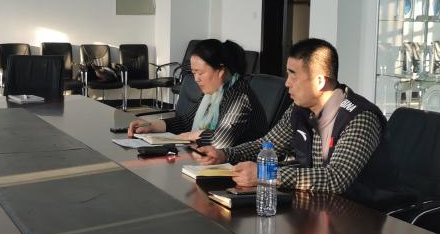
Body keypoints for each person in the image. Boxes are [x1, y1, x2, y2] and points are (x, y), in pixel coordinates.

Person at [193, 38, 394, 193]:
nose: (287, 83)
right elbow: (266, 145)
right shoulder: (300, 108)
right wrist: (225, 154)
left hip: (362, 216)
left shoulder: (358, 118)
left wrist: (265, 174)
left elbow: (335, 179)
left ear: (320, 82)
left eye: (293, 75)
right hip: (317, 206)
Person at [127, 39, 259, 149]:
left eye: (200, 73)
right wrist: (151, 126)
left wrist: (190, 136)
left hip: (238, 167)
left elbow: (221, 140)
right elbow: (187, 122)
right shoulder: (212, 93)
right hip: (210, 159)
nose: (196, 79)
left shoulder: (238, 95)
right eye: (193, 73)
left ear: (220, 71)